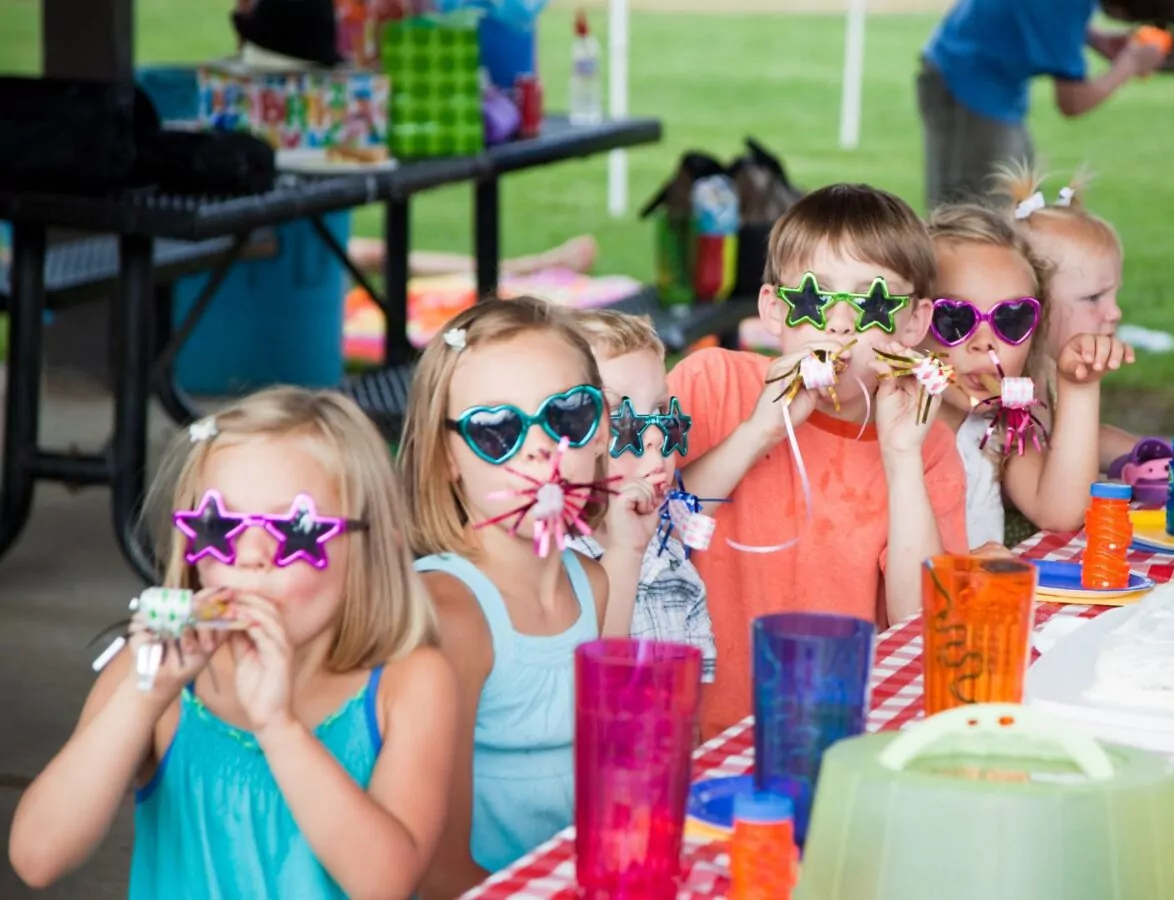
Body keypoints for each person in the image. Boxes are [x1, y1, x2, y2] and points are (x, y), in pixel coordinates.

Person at [9, 388, 455, 898]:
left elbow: (386, 884)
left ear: (377, 540)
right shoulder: (154, 674)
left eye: (294, 529)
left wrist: (277, 726)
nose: (250, 556)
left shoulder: (409, 682)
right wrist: (142, 697)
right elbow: (36, 858)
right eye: (219, 525)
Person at [669, 183, 968, 737]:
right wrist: (759, 430)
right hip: (694, 730)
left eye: (872, 301)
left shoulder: (926, 447)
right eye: (817, 297)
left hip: (836, 731)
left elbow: (920, 624)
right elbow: (651, 532)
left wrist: (900, 456)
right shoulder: (707, 383)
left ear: (913, 324)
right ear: (773, 310)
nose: (839, 326)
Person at [400, 298, 611, 894]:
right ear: (447, 459)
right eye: (498, 430)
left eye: (569, 416)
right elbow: (440, 871)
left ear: (601, 435)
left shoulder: (592, 585)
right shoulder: (454, 614)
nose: (543, 449)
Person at [923, 201, 1134, 549]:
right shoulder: (880, 428)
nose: (985, 342)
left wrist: (1078, 386)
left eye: (1011, 319)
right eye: (955, 319)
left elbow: (1060, 511)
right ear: (913, 321)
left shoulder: (999, 426)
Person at [565, 308, 717, 684]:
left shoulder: (672, 564)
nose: (654, 437)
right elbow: (588, 684)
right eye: (622, 417)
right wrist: (626, 553)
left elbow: (689, 704)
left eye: (661, 411)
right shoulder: (552, 564)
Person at [917, 0, 1167, 209]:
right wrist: (1129, 65)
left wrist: (1096, 40)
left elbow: (1035, 15)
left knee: (1018, 201)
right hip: (970, 85)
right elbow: (1073, 102)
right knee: (982, 215)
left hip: (971, 75)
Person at [1006, 163, 1148, 474]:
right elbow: (1039, 466)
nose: (1115, 312)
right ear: (1033, 304)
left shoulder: (1051, 372)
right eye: (1094, 298)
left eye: (1114, 295)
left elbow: (1081, 440)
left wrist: (1152, 455)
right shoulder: (1013, 388)